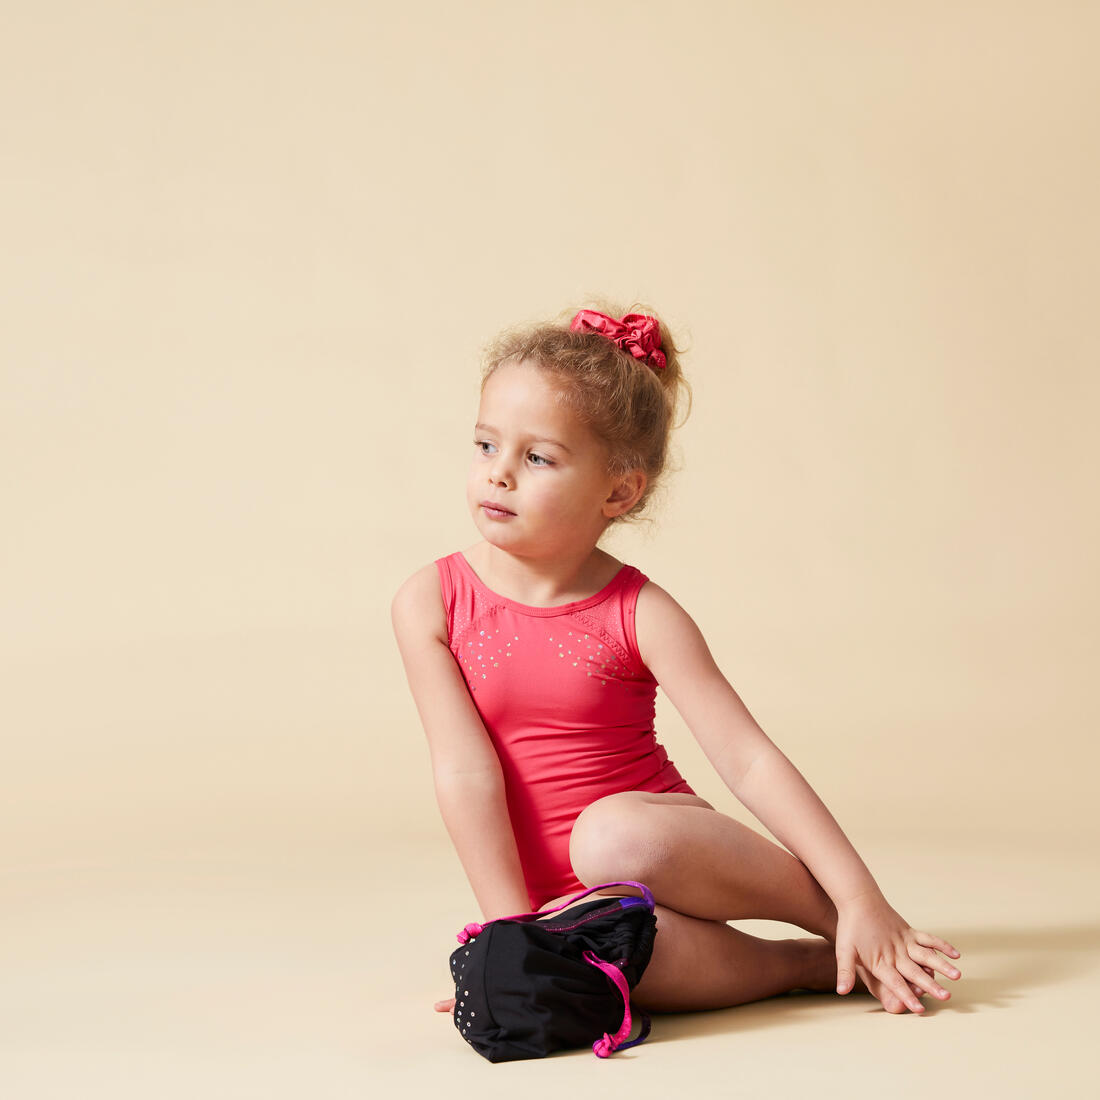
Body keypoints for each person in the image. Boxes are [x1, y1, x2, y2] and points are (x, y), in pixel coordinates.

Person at [391, 304, 961, 1017]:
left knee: (612, 837)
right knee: (603, 960)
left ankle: (842, 920)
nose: (498, 475)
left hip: (655, 846)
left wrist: (860, 894)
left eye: (536, 457)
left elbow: (749, 760)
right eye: (484, 446)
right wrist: (512, 939)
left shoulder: (641, 613)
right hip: (570, 905)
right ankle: (805, 965)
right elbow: (465, 773)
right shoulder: (431, 601)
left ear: (619, 490)